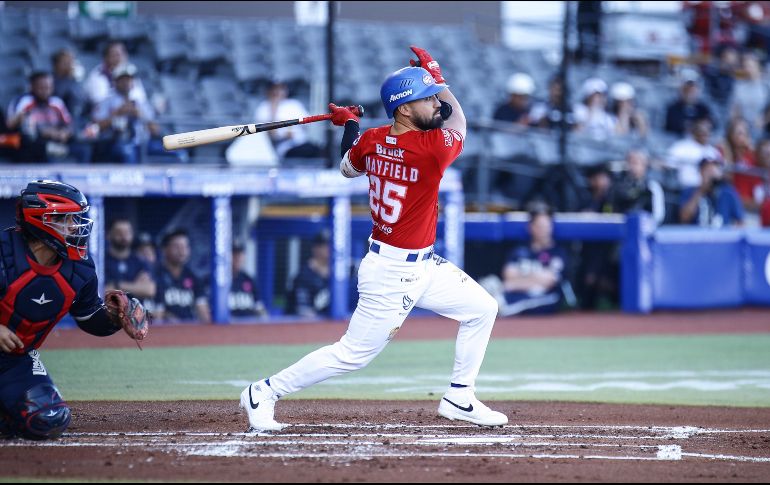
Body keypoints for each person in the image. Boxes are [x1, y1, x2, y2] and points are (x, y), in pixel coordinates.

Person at [240, 46, 507, 431]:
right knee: (352, 355)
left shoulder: (372, 139)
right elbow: (459, 122)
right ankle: (264, 391)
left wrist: (349, 124)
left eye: (433, 96)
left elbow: (348, 166)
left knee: (482, 309)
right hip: (392, 270)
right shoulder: (429, 150)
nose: (436, 103)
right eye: (425, 99)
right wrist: (439, 76)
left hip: (421, 264)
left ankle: (459, 397)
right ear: (404, 109)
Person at [0, 180, 149, 439]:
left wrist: (114, 318)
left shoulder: (80, 267)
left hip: (14, 360)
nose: (75, 226)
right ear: (41, 219)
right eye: (66, 219)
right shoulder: (4, 252)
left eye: (76, 218)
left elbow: (89, 317)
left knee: (48, 419)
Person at [480, 204, 569, 316]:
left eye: (547, 226)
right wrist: (535, 279)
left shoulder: (558, 253)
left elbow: (549, 281)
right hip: (517, 293)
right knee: (491, 284)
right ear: (531, 227)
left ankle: (499, 308)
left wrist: (515, 283)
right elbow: (508, 275)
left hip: (546, 296)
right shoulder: (520, 250)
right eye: (540, 226)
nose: (544, 230)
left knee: (531, 295)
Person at [5, 71, 85, 164]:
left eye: (48, 88)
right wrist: (22, 118)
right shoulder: (24, 101)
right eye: (41, 88)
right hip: (34, 143)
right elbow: (10, 125)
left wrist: (65, 133)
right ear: (32, 87)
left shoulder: (56, 102)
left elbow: (69, 124)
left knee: (82, 148)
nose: (45, 91)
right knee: (32, 144)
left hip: (57, 139)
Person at [154, 229, 211, 323]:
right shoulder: (155, 273)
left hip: (188, 330)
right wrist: (166, 316)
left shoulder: (193, 277)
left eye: (185, 246)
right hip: (161, 330)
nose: (182, 251)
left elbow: (203, 311)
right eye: (176, 246)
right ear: (164, 250)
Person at [254, 80, 321, 159]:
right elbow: (266, 134)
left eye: (280, 89)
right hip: (283, 146)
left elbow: (308, 122)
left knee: (318, 150)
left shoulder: (294, 104)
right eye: (274, 89)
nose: (277, 92)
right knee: (305, 152)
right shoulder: (263, 107)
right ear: (269, 91)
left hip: (301, 142)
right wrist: (273, 110)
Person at [679, 157, 745, 227]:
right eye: (708, 170)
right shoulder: (690, 191)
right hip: (697, 235)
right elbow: (684, 218)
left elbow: (740, 221)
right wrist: (701, 191)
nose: (712, 173)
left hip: (722, 235)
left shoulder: (728, 192)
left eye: (715, 169)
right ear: (701, 172)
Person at [103, 218, 156, 302]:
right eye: (119, 232)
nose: (124, 236)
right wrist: (135, 286)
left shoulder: (140, 261)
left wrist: (116, 285)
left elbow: (149, 290)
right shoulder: (102, 261)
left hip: (135, 313)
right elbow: (102, 290)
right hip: (107, 312)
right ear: (109, 235)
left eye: (127, 232)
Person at [83, 41, 147, 107]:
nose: (120, 58)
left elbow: (141, 98)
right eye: (115, 55)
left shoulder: (129, 72)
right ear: (106, 58)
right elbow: (100, 103)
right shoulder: (97, 76)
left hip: (129, 111)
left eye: (122, 54)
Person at [612, 149, 666, 225]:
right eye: (629, 162)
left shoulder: (652, 186)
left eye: (635, 163)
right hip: (622, 225)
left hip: (645, 226)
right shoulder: (619, 185)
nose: (632, 167)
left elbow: (658, 215)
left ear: (644, 165)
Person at [666, 117, 721, 188]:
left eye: (707, 131)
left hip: (711, 188)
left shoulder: (713, 151)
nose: (704, 134)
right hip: (688, 187)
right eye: (701, 131)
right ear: (694, 131)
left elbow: (720, 171)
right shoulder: (680, 147)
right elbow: (668, 164)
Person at [286, 231, 331, 318]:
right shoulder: (304, 275)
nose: (329, 249)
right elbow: (304, 312)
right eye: (325, 246)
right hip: (299, 325)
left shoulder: (340, 274)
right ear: (315, 249)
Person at [664, 68, 714, 136]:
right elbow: (672, 127)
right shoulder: (672, 109)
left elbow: (712, 125)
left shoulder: (703, 109)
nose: (690, 92)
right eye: (686, 89)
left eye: (692, 89)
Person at [229, 240, 267, 319]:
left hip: (247, 327)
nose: (238, 257)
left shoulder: (249, 279)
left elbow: (259, 308)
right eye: (234, 254)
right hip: (225, 328)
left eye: (240, 254)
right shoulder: (215, 282)